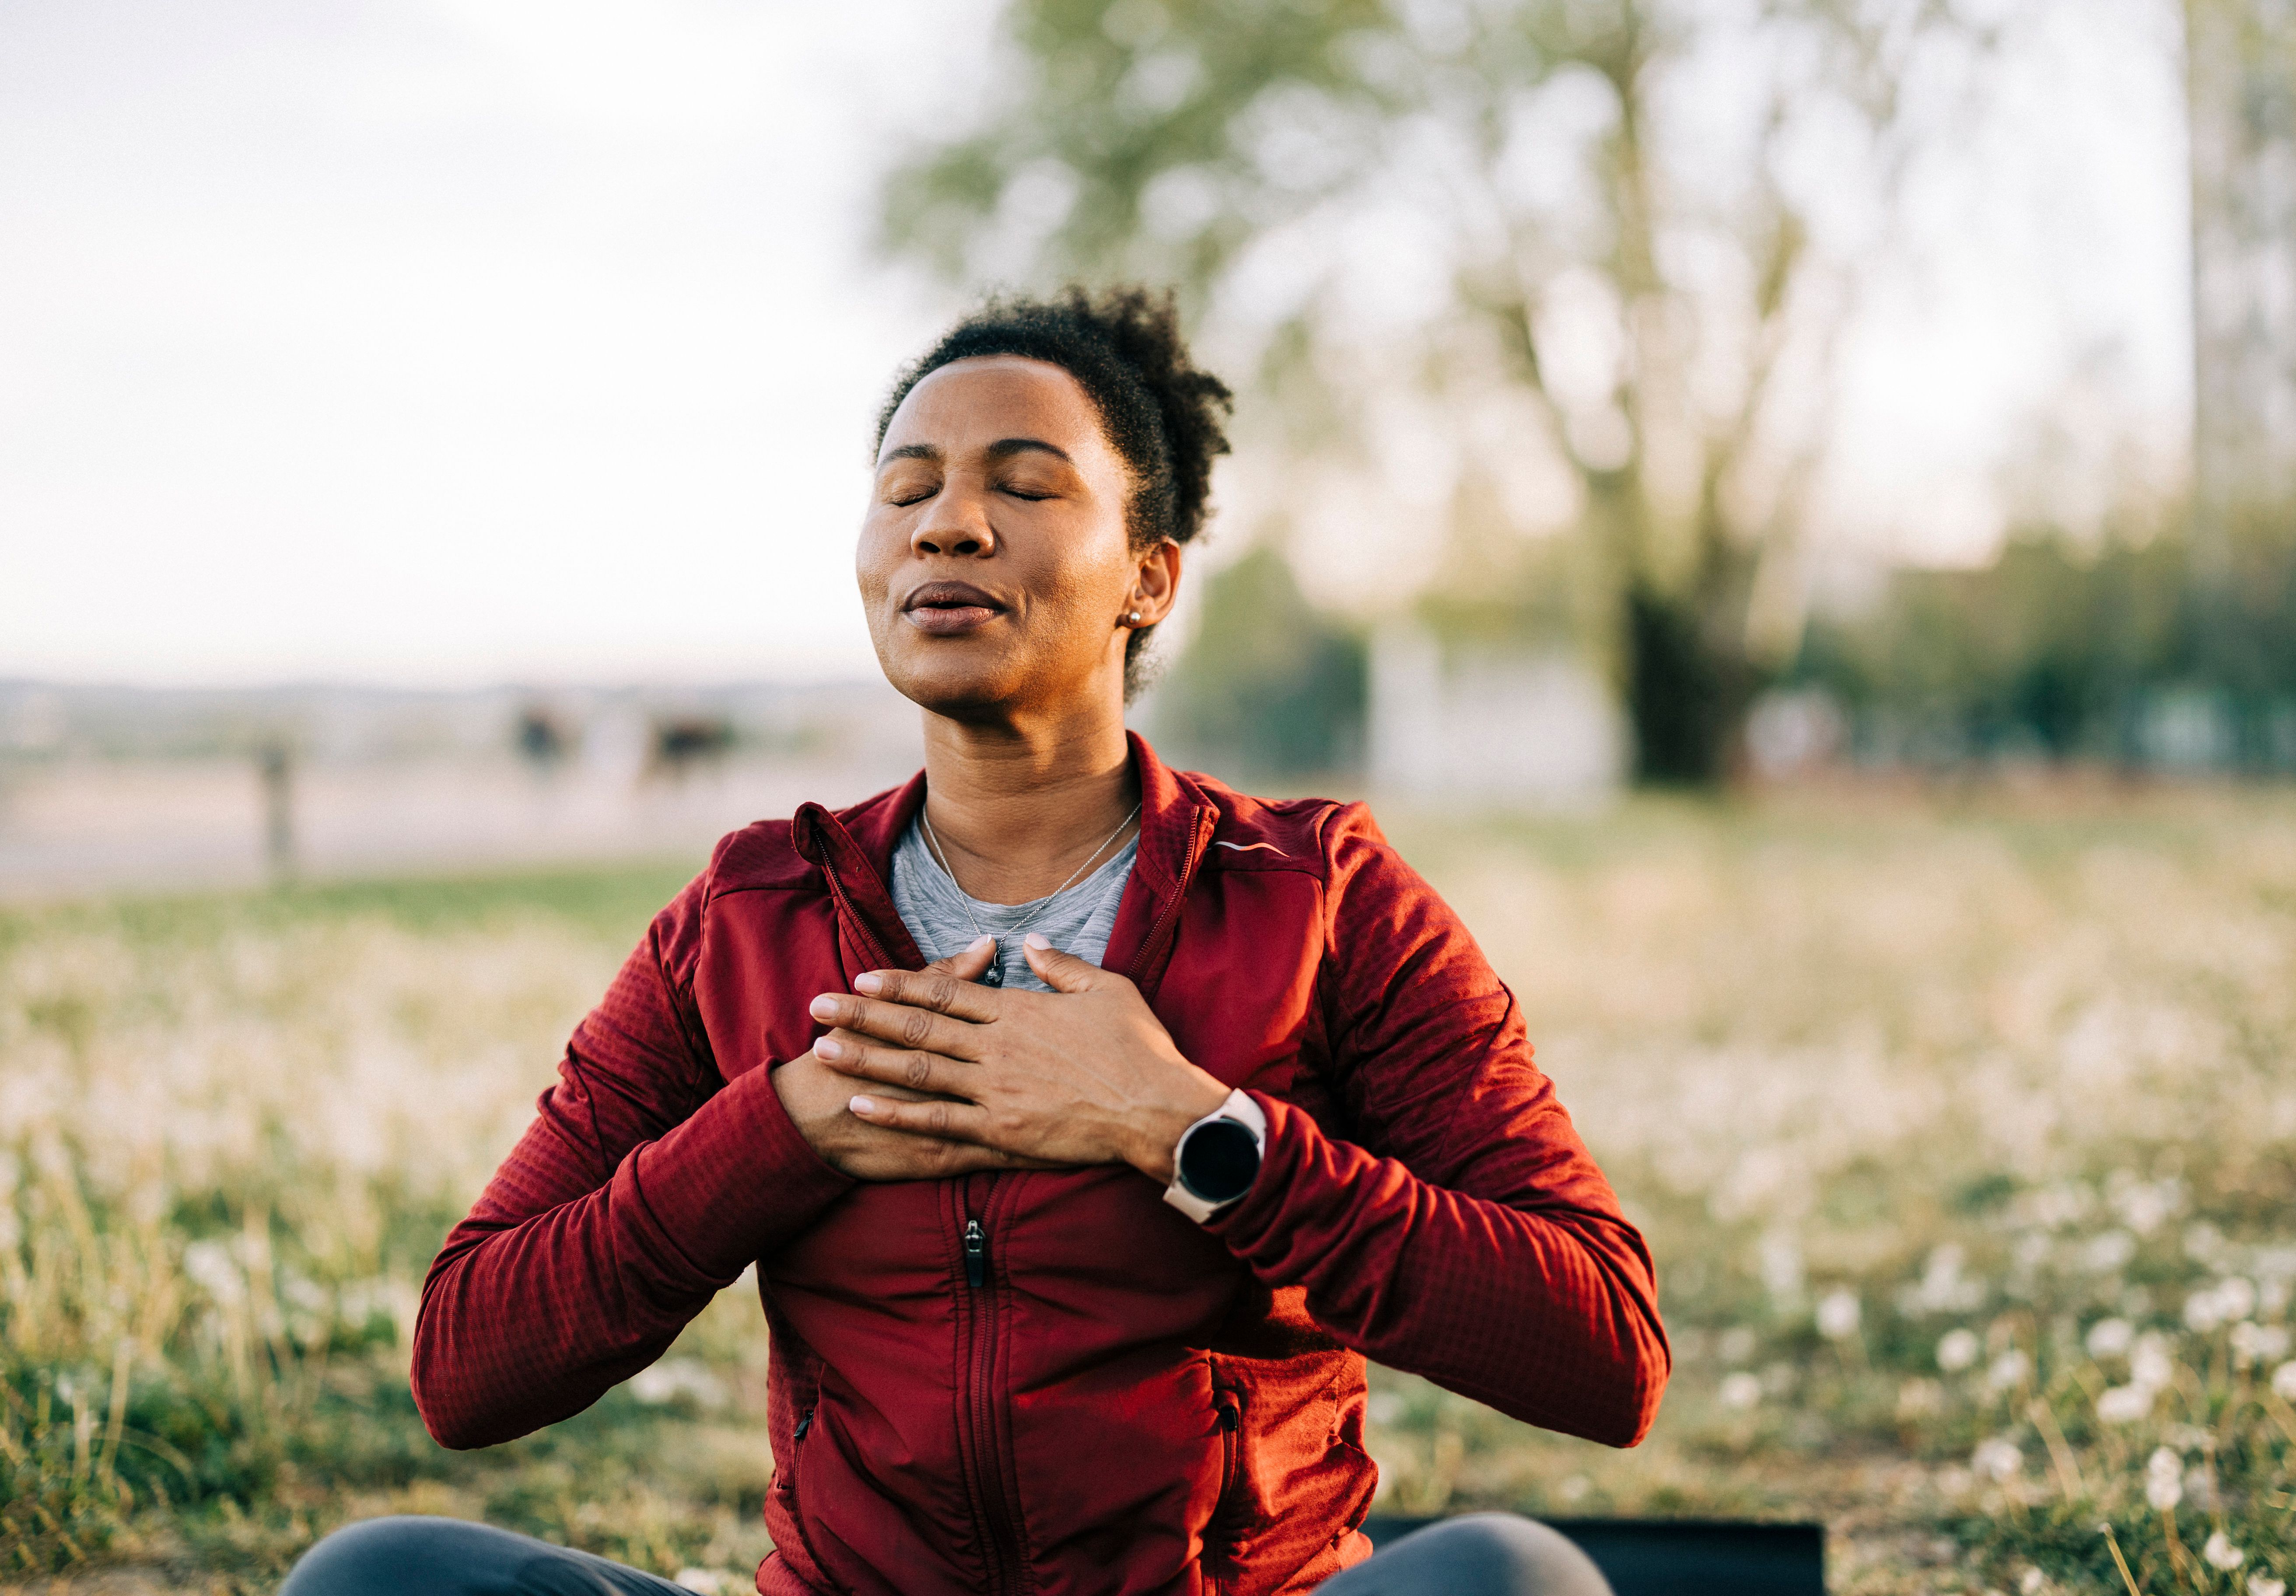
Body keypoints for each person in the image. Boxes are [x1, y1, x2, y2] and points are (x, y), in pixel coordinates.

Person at [286, 287, 1668, 1596]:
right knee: (379, 1580)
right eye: (907, 489)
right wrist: (777, 1136)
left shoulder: (1320, 898)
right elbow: (466, 1366)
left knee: (1512, 1578)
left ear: (1148, 577)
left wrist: (1189, 1129)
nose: (948, 525)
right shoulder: (751, 916)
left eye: (1022, 484)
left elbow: (1605, 1350)